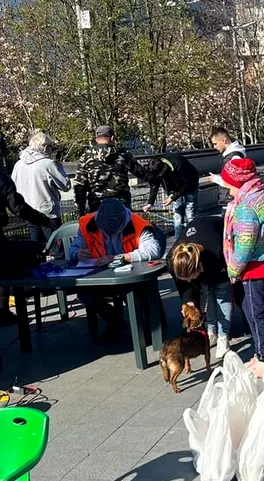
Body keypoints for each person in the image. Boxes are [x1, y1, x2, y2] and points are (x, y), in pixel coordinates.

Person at [221, 157, 264, 365]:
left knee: (256, 311)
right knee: (251, 307)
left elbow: (244, 245)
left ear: (237, 182)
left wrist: (233, 270)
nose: (228, 190)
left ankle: (263, 357)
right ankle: (260, 352)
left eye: (228, 184)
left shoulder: (246, 206)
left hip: (256, 266)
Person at [69, 199, 165, 339]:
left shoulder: (138, 224)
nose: (109, 235)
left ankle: (141, 331)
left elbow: (153, 250)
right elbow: (73, 249)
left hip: (131, 275)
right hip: (100, 275)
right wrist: (77, 253)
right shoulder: (87, 223)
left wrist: (121, 257)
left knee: (131, 291)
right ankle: (116, 322)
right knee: (85, 294)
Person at [168, 216, 233, 358]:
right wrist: (189, 300)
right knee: (205, 291)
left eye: (192, 277)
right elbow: (183, 283)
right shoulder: (173, 260)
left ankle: (223, 336)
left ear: (200, 268)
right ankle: (211, 330)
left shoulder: (217, 252)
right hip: (201, 236)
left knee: (221, 293)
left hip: (219, 243)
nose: (190, 281)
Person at [0, 166, 56, 326]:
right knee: (6, 268)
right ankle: (2, 310)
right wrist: (44, 220)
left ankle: (3, 311)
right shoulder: (2, 179)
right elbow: (19, 208)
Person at [73, 125, 148, 215]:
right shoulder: (123, 154)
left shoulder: (86, 157)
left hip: (97, 206)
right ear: (112, 138)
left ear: (96, 139)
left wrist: (80, 211)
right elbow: (142, 173)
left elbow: (79, 185)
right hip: (121, 205)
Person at [11, 131, 71, 243]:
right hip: (48, 213)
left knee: (36, 247)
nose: (52, 150)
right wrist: (58, 166)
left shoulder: (18, 164)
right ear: (45, 147)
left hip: (29, 211)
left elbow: (14, 186)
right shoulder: (48, 164)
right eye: (51, 147)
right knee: (57, 247)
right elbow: (66, 185)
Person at [143, 153, 200, 243]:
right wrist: (150, 203)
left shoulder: (179, 163)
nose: (161, 176)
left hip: (190, 185)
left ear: (164, 167)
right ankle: (178, 241)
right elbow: (155, 185)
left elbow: (188, 184)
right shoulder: (155, 168)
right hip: (174, 189)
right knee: (177, 217)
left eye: (162, 174)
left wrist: (173, 197)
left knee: (190, 216)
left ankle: (192, 240)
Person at [209, 127, 246, 208]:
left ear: (224, 140)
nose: (214, 147)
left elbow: (234, 182)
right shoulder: (232, 155)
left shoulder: (234, 157)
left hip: (232, 201)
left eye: (215, 143)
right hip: (230, 200)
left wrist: (215, 179)